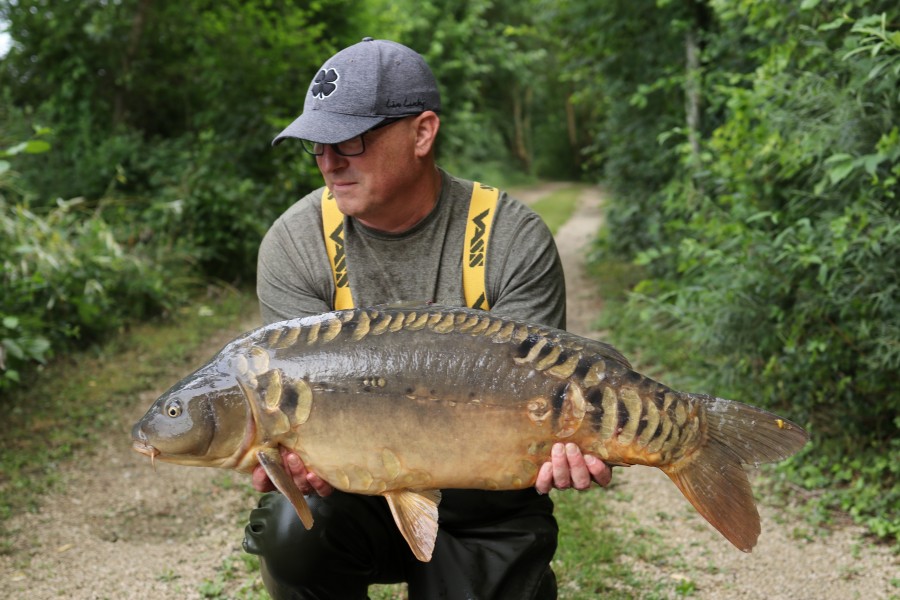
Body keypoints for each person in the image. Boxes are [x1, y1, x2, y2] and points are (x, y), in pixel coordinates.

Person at [242, 37, 612, 600]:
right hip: (354, 499)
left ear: (422, 133)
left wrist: (569, 442)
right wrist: (303, 461)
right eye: (317, 143)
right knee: (293, 530)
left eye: (351, 139)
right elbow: (289, 414)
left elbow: (548, 400)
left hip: (487, 506)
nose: (329, 161)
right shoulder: (296, 244)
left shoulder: (511, 237)